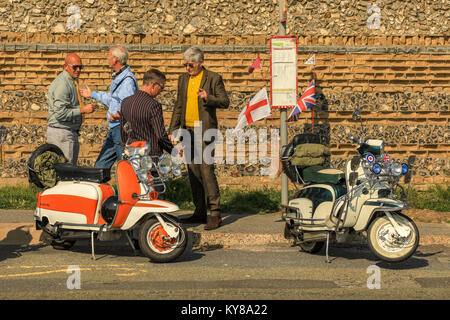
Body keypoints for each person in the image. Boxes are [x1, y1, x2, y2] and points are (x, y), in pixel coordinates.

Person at [169, 46, 229, 230]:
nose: (188, 68)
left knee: (206, 171)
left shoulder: (213, 78)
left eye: (191, 65)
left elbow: (224, 101)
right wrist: (173, 129)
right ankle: (199, 211)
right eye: (186, 65)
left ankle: (215, 213)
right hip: (187, 131)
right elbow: (179, 105)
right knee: (193, 172)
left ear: (201, 63)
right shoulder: (183, 79)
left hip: (205, 131)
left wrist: (207, 97)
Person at [80, 45, 138, 169]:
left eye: (108, 55)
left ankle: (133, 188)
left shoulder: (127, 81)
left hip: (121, 129)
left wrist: (119, 117)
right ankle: (99, 186)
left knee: (127, 166)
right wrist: (93, 94)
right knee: (101, 166)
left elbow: (129, 107)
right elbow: (113, 100)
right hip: (115, 129)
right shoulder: (119, 77)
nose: (106, 58)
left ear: (115, 59)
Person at [120, 68, 182, 159]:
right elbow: (160, 136)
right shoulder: (153, 105)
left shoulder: (125, 102)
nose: (161, 91)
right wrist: (174, 151)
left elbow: (123, 132)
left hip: (131, 156)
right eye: (161, 87)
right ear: (153, 85)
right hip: (150, 157)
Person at [47, 53, 96, 165]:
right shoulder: (63, 84)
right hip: (62, 132)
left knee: (69, 170)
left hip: (68, 131)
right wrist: (82, 110)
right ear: (66, 67)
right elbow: (60, 113)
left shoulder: (72, 80)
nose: (78, 70)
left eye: (80, 67)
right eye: (75, 67)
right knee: (66, 172)